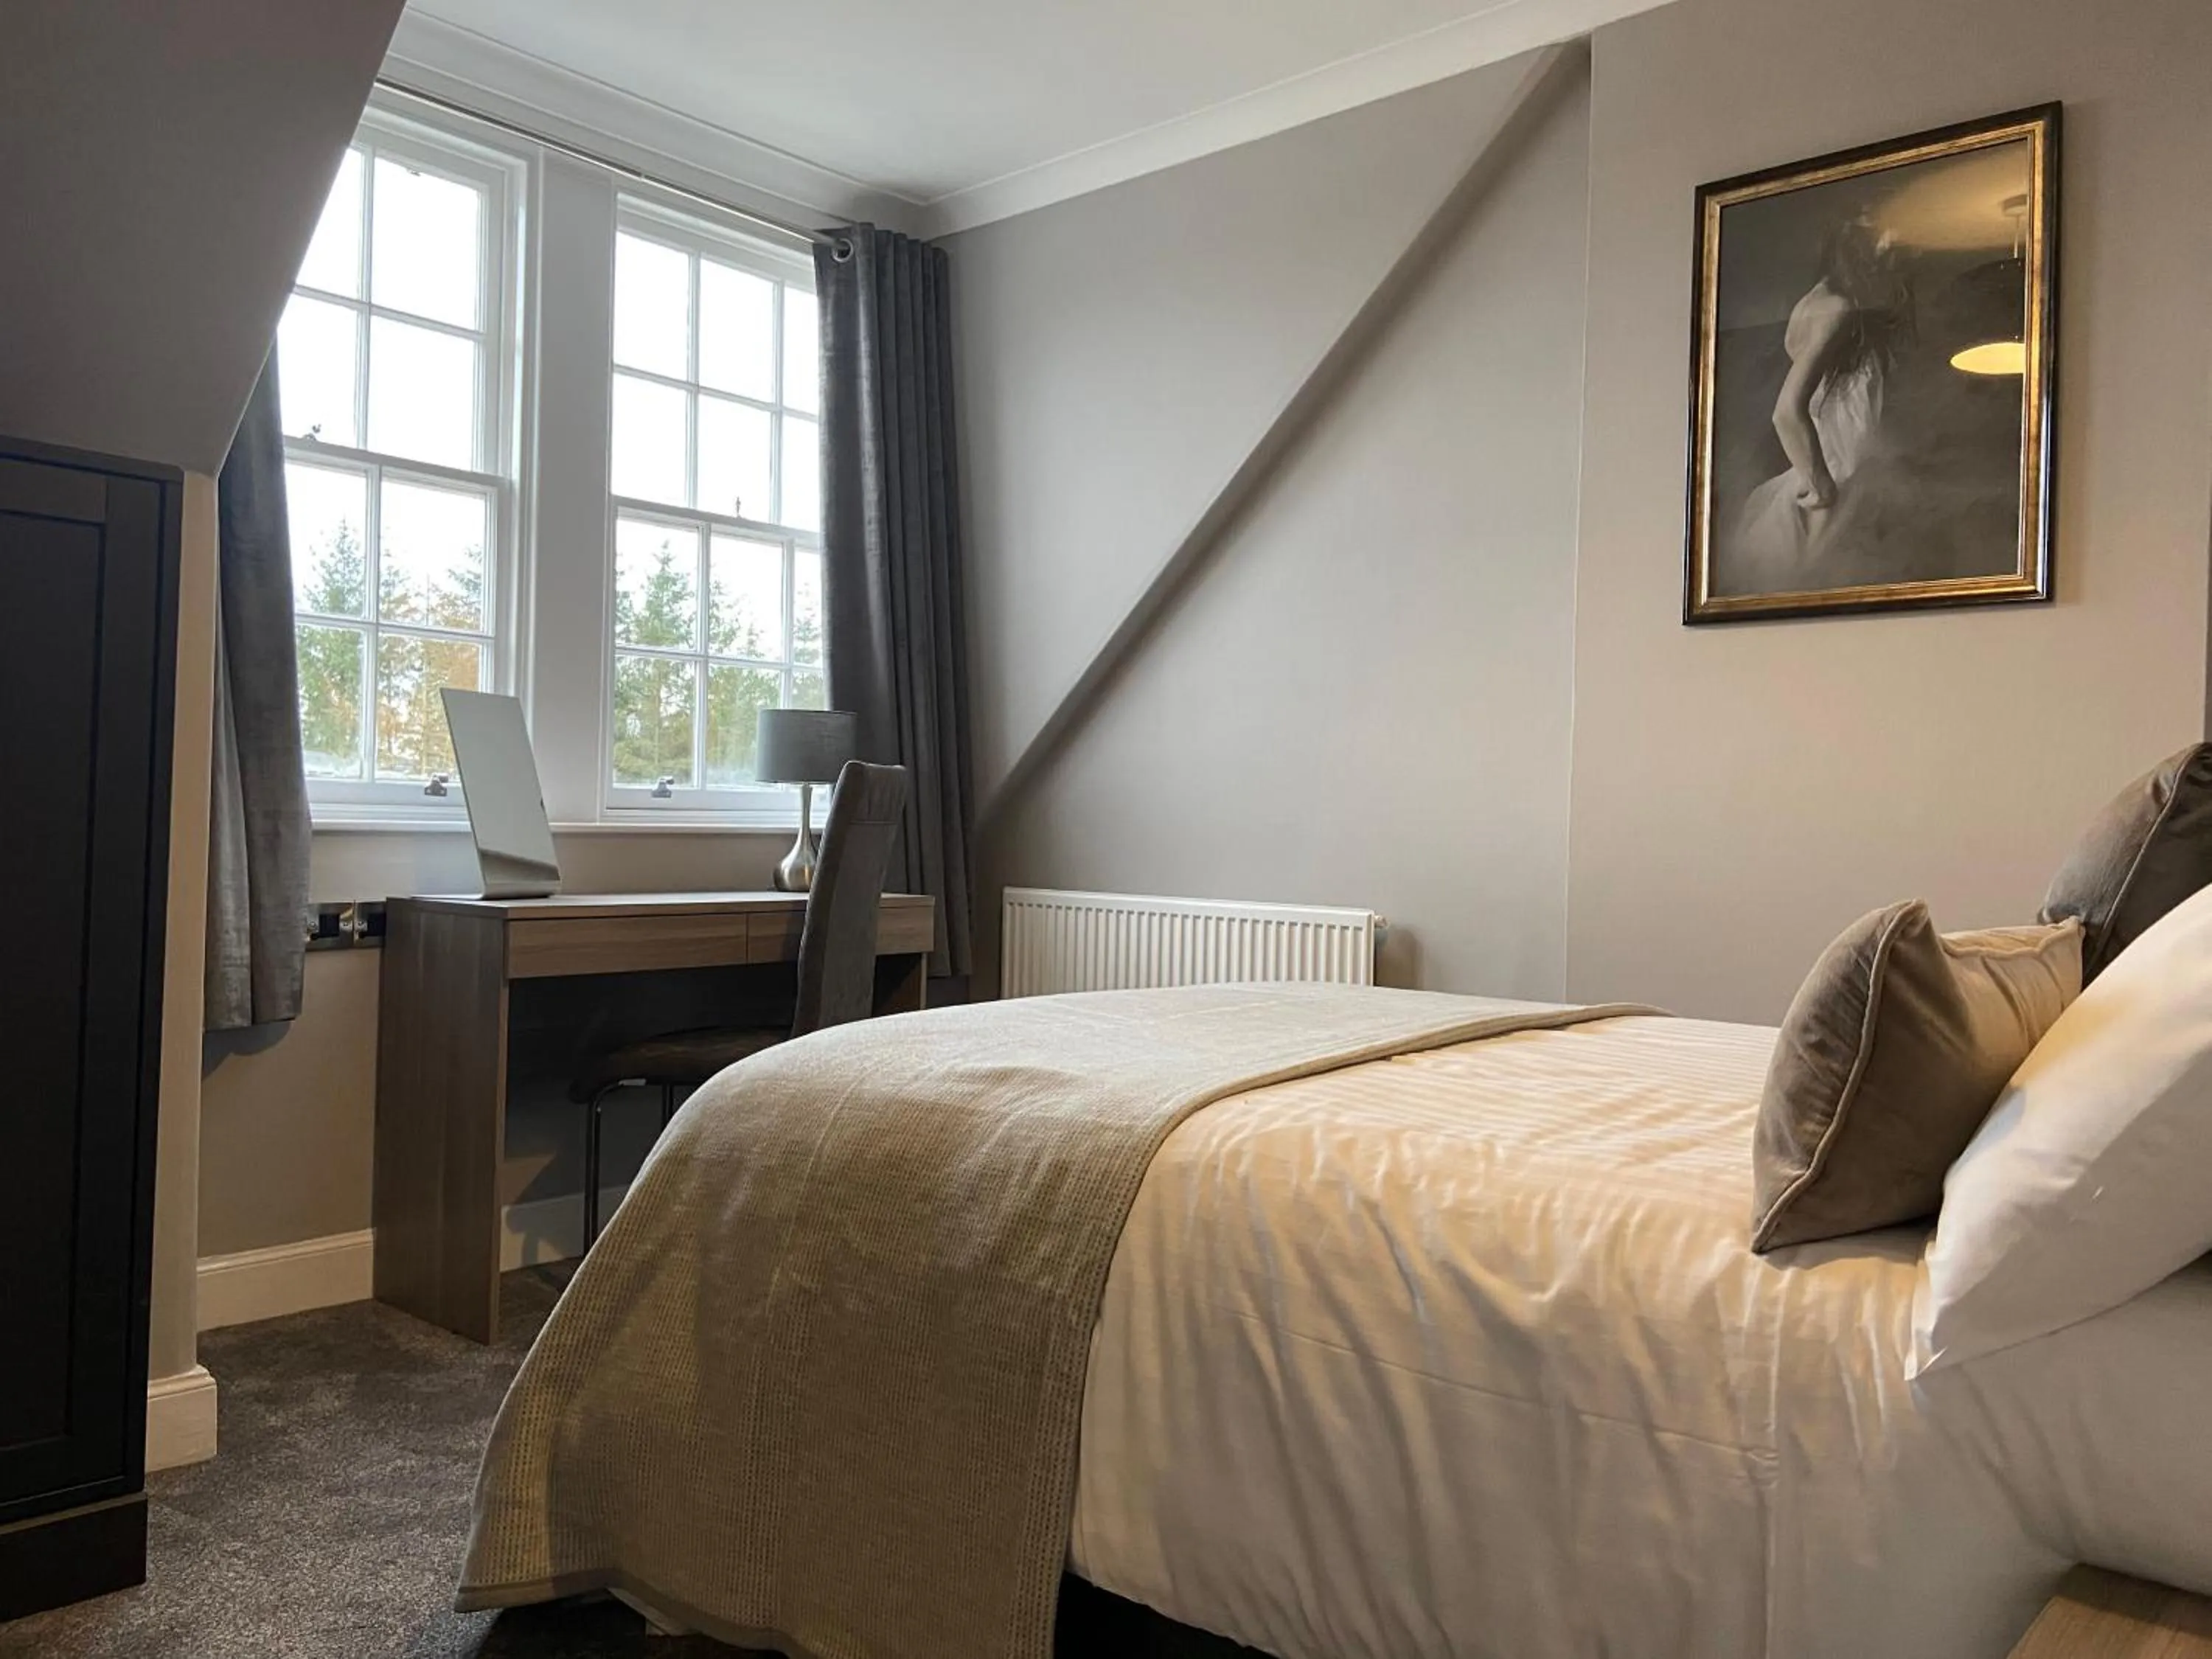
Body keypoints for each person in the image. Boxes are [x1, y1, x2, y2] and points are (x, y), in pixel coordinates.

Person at [1720, 211, 1914, 592]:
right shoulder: (1835, 308)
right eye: (1876, 232)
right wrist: (1823, 486)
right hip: (1829, 499)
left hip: (1850, 490)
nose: (1891, 243)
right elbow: (1786, 413)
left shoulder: (1840, 302)